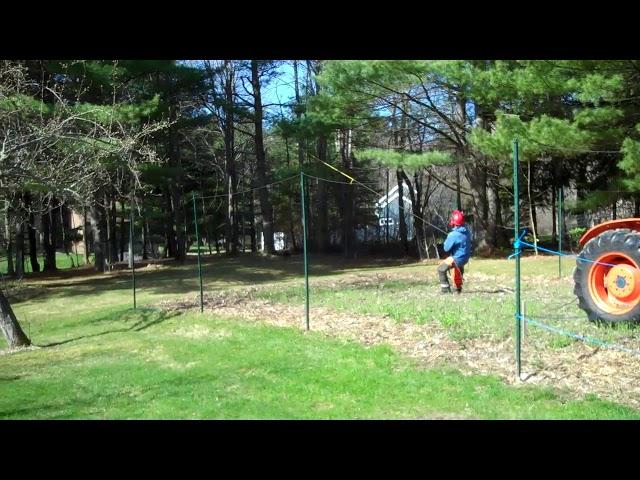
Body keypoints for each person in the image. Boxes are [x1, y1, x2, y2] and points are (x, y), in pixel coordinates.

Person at [437, 210, 472, 294]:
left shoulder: (452, 235)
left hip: (457, 258)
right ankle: (457, 289)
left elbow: (446, 248)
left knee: (441, 269)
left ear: (453, 222)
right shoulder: (467, 232)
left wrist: (448, 239)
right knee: (458, 268)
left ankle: (445, 290)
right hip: (465, 258)